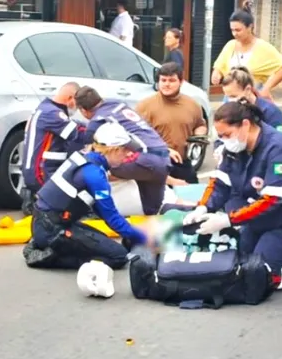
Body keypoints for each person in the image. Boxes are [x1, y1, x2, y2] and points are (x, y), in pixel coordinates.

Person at [183, 101, 282, 290]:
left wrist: (227, 220)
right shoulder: (232, 150)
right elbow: (219, 184)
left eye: (227, 135)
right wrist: (203, 207)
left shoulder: (281, 148)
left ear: (245, 125)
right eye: (220, 136)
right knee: (239, 269)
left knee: (260, 276)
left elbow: (271, 201)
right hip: (255, 221)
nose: (223, 141)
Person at [24, 123, 151, 277]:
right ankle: (48, 256)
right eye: (125, 150)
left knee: (105, 243)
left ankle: (44, 242)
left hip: (46, 223)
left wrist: (132, 233)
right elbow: (111, 217)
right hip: (52, 229)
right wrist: (144, 237)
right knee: (118, 256)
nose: (128, 155)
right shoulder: (94, 175)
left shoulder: (85, 159)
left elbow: (101, 210)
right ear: (114, 149)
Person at [74, 86, 170, 215]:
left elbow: (89, 152)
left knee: (92, 169)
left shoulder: (97, 121)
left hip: (144, 160)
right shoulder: (118, 104)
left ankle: (93, 211)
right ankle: (191, 213)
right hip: (164, 159)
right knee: (153, 211)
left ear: (83, 110)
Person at [20, 81, 102, 214]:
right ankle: (41, 201)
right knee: (81, 201)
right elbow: (79, 134)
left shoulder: (45, 109)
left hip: (40, 170)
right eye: (77, 105)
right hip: (42, 173)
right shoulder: (52, 114)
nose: (77, 109)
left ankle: (38, 197)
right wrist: (101, 131)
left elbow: (74, 126)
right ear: (70, 98)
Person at [135, 62, 206, 186]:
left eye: (172, 80)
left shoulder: (192, 104)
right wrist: (164, 150)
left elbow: (200, 125)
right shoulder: (144, 106)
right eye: (163, 80)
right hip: (156, 164)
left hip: (183, 163)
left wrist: (198, 138)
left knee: (193, 195)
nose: (167, 84)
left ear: (181, 82)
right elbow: (136, 137)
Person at [211, 0, 282, 101]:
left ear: (250, 27)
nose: (234, 34)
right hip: (230, 98)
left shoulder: (263, 47)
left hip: (252, 98)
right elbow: (219, 66)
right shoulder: (230, 45)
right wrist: (216, 74)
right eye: (232, 30)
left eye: (238, 30)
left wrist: (266, 88)